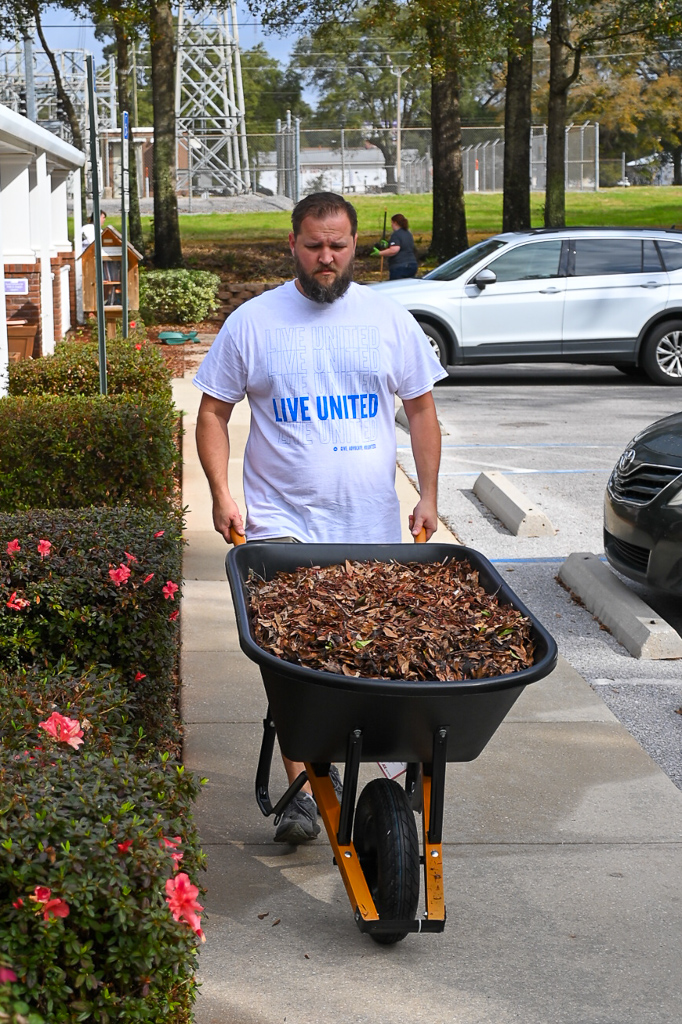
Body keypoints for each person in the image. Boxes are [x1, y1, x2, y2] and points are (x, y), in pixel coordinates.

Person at [193, 192, 447, 844]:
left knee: (378, 653)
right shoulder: (253, 322)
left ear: (356, 244)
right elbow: (214, 413)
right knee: (291, 660)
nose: (326, 259)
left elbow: (420, 410)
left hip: (369, 520)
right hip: (282, 519)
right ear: (293, 244)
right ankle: (306, 789)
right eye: (314, 246)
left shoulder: (388, 320)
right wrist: (224, 493)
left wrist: (428, 494)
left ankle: (390, 778)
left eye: (338, 246)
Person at [380, 213, 418, 280]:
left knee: (396, 287)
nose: (391, 225)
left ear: (395, 223)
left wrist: (380, 253)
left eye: (392, 223)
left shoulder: (396, 234)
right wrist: (388, 244)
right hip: (412, 265)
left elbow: (394, 250)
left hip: (400, 266)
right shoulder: (408, 233)